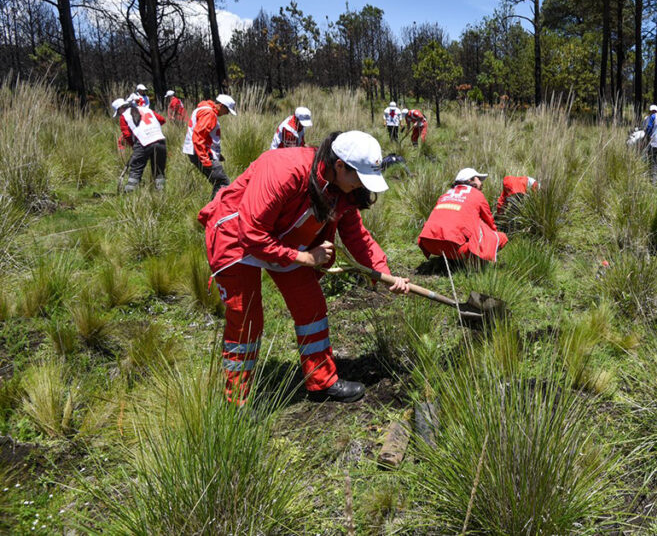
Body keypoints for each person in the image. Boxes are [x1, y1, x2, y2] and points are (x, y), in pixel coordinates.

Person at [199, 130, 411, 405]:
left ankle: (321, 382)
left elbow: (356, 235)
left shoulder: (341, 189)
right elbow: (250, 233)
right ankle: (235, 402)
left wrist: (385, 274)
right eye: (358, 178)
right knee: (246, 321)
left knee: (311, 306)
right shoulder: (285, 170)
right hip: (235, 235)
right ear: (339, 165)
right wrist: (305, 258)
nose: (361, 186)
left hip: (284, 238)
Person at [417, 168, 508, 263]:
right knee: (501, 237)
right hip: (454, 249)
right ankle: (474, 264)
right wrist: (494, 239)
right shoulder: (477, 195)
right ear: (470, 180)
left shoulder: (445, 195)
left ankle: (447, 260)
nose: (481, 183)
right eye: (479, 179)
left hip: (428, 245)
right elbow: (490, 222)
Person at [183, 93, 235, 199]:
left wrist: (217, 154)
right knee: (222, 182)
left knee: (218, 182)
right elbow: (198, 138)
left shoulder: (205, 110)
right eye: (227, 110)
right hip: (200, 153)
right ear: (221, 105)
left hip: (200, 152)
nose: (227, 113)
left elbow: (205, 137)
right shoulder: (209, 114)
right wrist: (205, 160)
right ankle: (215, 211)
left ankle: (214, 209)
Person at [120, 100, 169, 192]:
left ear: (121, 109)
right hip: (160, 141)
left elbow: (126, 135)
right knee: (159, 170)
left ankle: (129, 194)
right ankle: (160, 193)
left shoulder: (124, 116)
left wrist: (134, 145)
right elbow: (162, 120)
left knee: (136, 170)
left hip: (143, 143)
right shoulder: (146, 109)